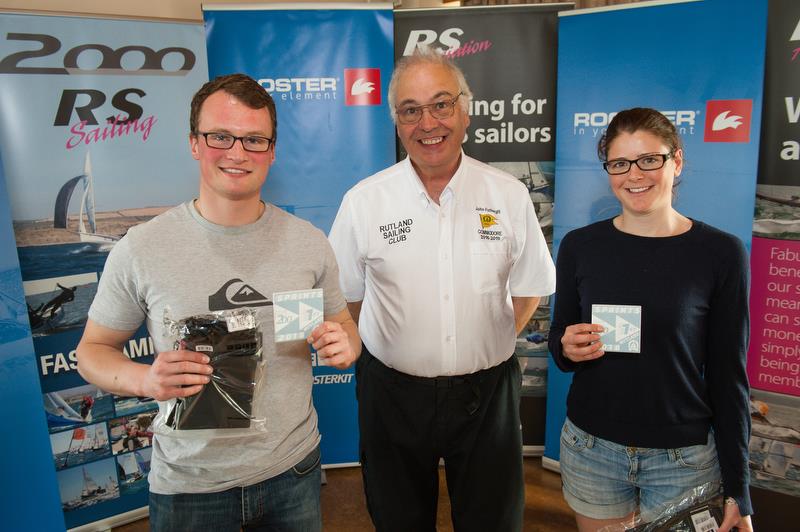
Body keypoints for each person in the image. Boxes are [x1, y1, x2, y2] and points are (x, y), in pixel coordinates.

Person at [76, 73, 360, 532]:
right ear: (194, 143)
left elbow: (345, 326)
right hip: (190, 488)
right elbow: (91, 352)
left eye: (253, 139)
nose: (237, 152)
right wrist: (146, 379)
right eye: (220, 136)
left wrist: (345, 343)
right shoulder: (143, 247)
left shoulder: (308, 244)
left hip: (293, 472)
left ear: (271, 151)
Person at [328, 48, 556, 532]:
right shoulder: (364, 201)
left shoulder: (508, 195)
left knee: (493, 521)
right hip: (391, 393)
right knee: (398, 520)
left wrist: (486, 339)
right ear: (396, 120)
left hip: (487, 394)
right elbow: (348, 295)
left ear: (465, 109)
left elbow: (531, 286)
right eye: (410, 110)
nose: (427, 122)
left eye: (441, 104)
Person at [548, 107, 753, 532]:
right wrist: (566, 347)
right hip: (592, 448)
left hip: (683, 458)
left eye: (649, 159)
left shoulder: (720, 253)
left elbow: (729, 376)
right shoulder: (580, 246)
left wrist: (739, 487)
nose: (634, 174)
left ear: (676, 161)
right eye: (620, 163)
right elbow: (560, 346)